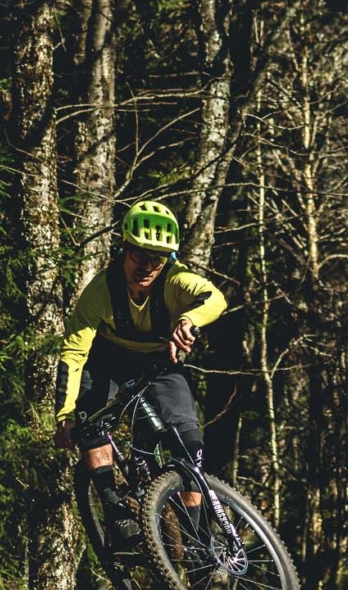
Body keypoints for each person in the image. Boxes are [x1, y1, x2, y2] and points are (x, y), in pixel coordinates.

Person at [53, 200, 226, 543]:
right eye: (139, 256)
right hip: (106, 360)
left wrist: (189, 319)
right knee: (90, 423)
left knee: (189, 444)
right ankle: (116, 512)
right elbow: (74, 352)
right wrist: (64, 415)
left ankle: (195, 537)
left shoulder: (176, 280)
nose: (147, 266)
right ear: (124, 249)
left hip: (158, 363)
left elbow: (215, 298)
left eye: (156, 259)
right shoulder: (101, 290)